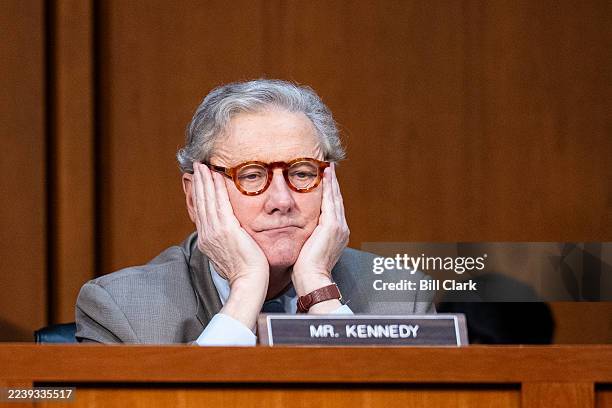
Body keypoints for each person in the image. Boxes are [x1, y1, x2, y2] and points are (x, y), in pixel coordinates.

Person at [75, 79, 435, 345]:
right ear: (194, 196)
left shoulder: (402, 297)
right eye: (251, 175)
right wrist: (245, 290)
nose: (282, 200)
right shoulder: (122, 311)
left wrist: (321, 294)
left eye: (302, 173)